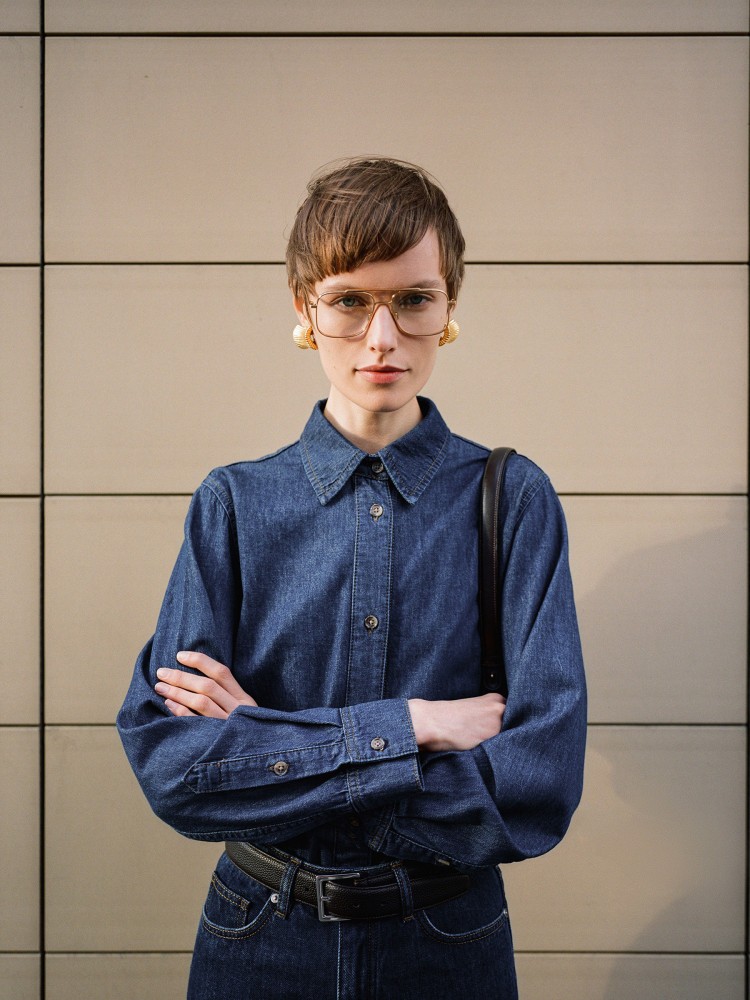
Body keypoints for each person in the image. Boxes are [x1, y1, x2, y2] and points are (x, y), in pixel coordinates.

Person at [117, 156, 586, 1000]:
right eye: (349, 302)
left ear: (449, 307)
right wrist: (414, 726)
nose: (382, 337)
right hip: (260, 933)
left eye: (414, 299)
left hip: (447, 938)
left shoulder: (514, 499)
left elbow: (536, 785)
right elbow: (175, 767)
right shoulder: (233, 504)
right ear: (305, 309)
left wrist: (271, 747)